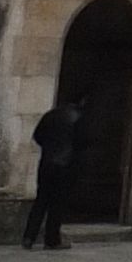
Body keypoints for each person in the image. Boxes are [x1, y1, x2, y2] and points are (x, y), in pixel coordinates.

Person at [22, 93, 86, 250]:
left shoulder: (50, 116)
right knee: (58, 202)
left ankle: (29, 237)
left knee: (41, 200)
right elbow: (84, 140)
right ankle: (52, 239)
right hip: (66, 165)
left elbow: (38, 136)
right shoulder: (80, 117)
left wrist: (50, 148)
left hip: (47, 163)